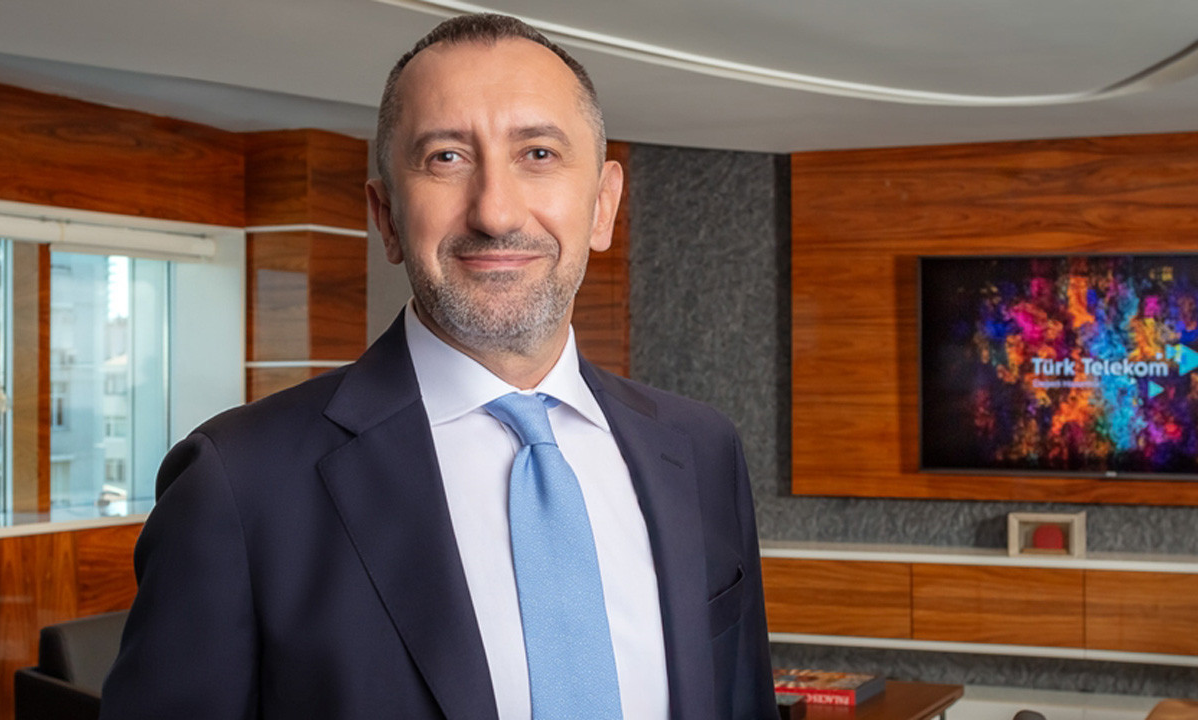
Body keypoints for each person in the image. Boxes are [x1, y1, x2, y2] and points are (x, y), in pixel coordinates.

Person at [101, 12, 774, 720]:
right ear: (387, 215)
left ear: (603, 206)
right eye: (447, 158)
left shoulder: (702, 450)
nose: (495, 212)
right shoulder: (238, 483)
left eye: (538, 153)